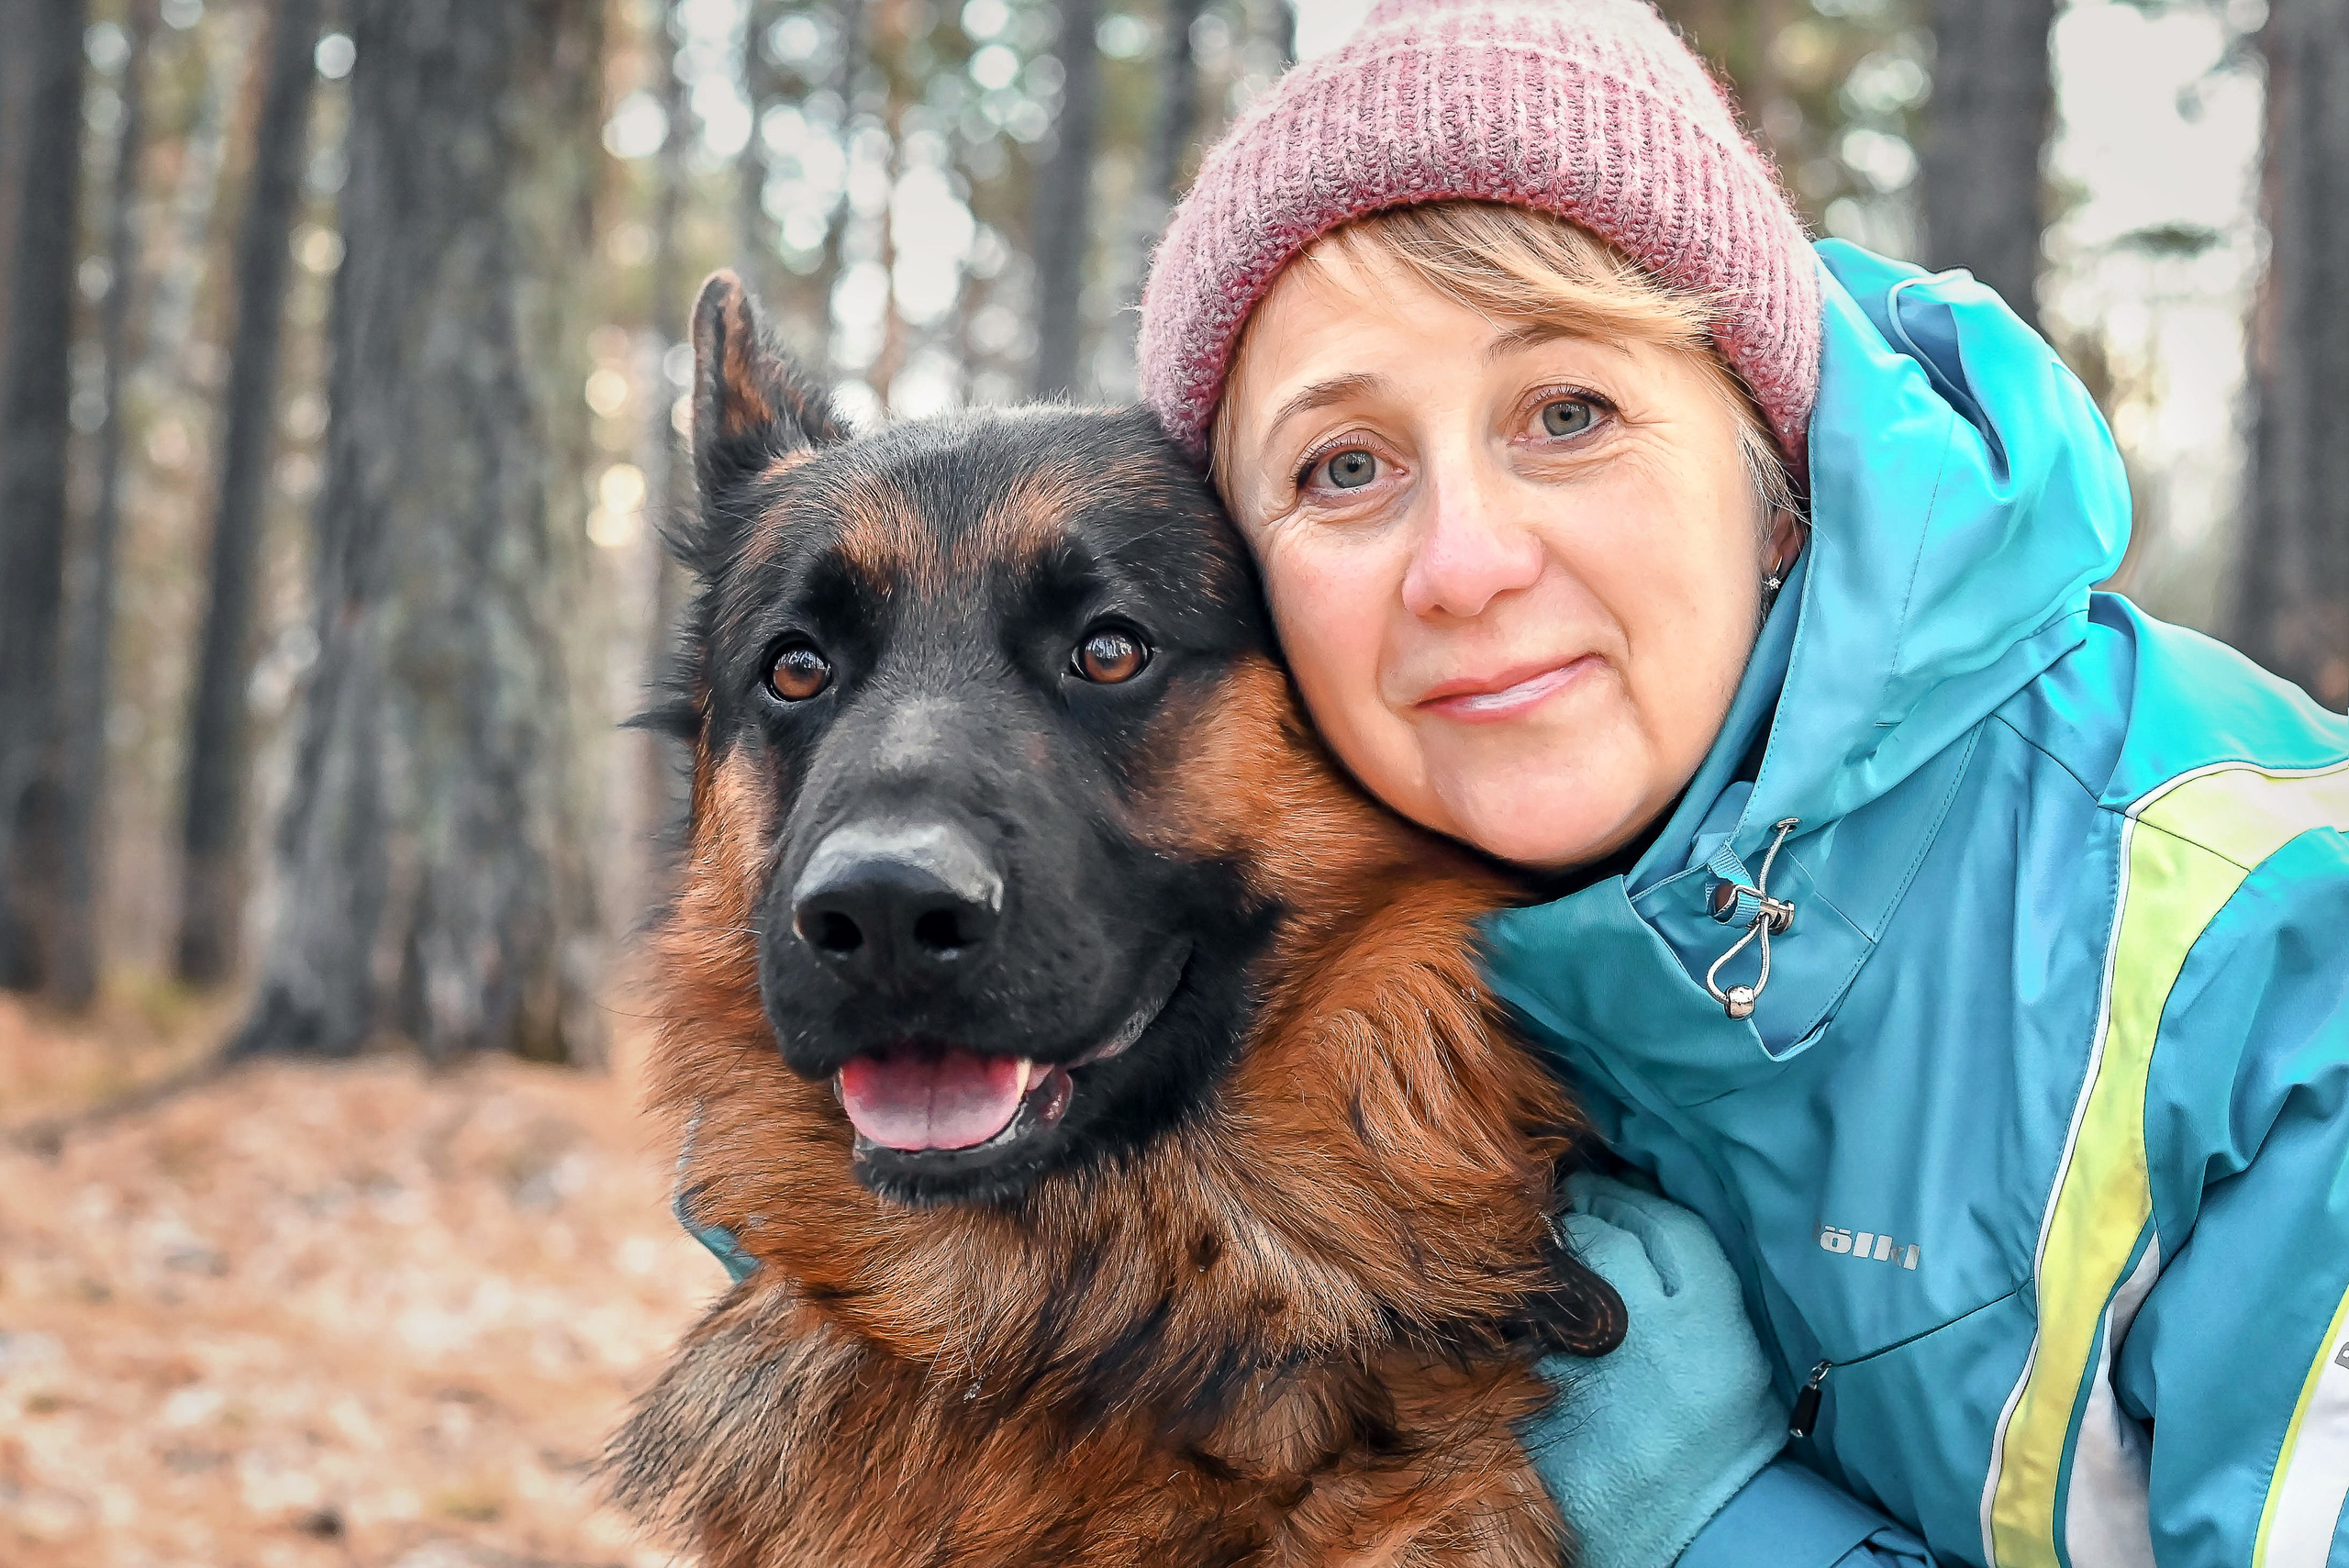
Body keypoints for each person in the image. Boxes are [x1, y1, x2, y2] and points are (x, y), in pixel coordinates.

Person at [1134, 0, 2349, 1564]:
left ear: (1780, 473)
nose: (1465, 563)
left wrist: (1720, 1516)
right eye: (1344, 468)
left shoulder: (2261, 947)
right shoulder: (1256, 985)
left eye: (1568, 413)